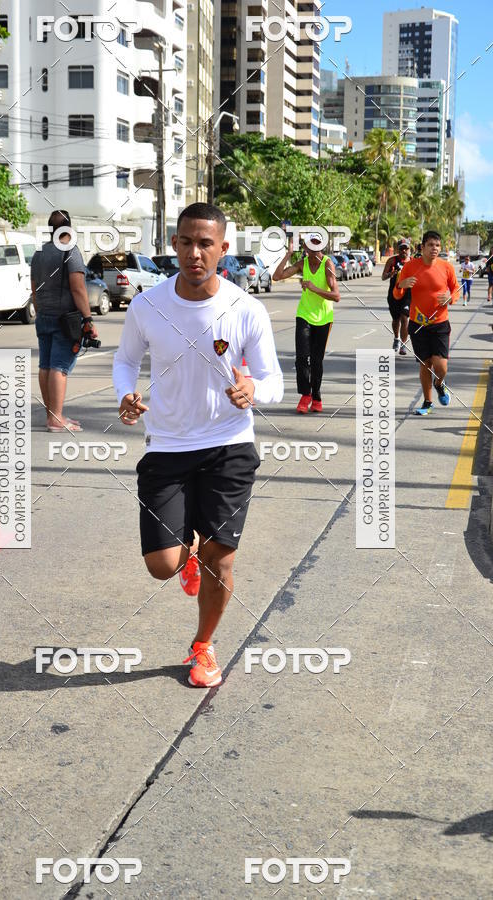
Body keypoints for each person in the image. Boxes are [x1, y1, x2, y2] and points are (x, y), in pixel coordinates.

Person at [112, 202, 283, 688]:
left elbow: (273, 381)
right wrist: (125, 394)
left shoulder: (245, 309)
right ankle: (186, 552)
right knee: (162, 566)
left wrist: (253, 390)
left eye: (205, 243)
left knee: (221, 558)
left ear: (223, 248)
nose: (194, 253)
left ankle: (203, 645)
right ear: (174, 245)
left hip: (229, 445)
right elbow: (125, 361)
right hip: (167, 446)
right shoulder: (148, 305)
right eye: (186, 242)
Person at [30, 210, 98, 432]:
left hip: (43, 316)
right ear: (69, 227)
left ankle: (52, 415)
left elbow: (34, 288)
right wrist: (88, 319)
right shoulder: (70, 251)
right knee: (59, 367)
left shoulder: (39, 253)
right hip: (65, 319)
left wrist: (41, 311)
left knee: (46, 366)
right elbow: (78, 288)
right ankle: (56, 419)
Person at [393, 230, 461, 416]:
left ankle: (439, 383)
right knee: (425, 364)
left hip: (440, 323)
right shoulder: (410, 267)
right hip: (418, 324)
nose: (434, 248)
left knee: (441, 366)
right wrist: (400, 285)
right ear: (422, 247)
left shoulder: (446, 267)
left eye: (437, 245)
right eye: (430, 245)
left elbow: (456, 289)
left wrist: (451, 297)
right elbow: (396, 294)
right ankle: (428, 402)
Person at [273, 232, 340, 413]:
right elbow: (277, 277)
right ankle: (305, 395)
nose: (315, 248)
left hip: (324, 318)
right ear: (305, 247)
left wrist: (313, 288)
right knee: (302, 358)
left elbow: (336, 296)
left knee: (316, 361)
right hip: (304, 315)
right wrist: (288, 254)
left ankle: (316, 396)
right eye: (312, 244)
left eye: (318, 244)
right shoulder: (302, 264)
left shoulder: (327, 264)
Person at [382, 238, 411, 354]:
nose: (404, 251)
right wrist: (391, 274)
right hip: (394, 293)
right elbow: (383, 277)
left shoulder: (413, 262)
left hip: (407, 294)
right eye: (401, 248)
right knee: (396, 319)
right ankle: (396, 338)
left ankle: (403, 344)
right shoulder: (392, 261)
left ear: (409, 249)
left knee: (404, 318)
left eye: (406, 248)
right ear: (398, 249)